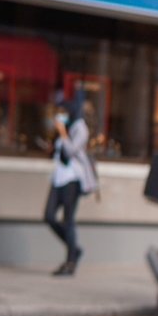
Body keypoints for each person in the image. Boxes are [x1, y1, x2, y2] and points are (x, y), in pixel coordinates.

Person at [43, 98, 97, 275]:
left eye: (64, 112)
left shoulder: (80, 128)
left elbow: (71, 150)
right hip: (58, 177)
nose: (61, 115)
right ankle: (74, 249)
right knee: (49, 216)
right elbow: (59, 152)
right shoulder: (64, 128)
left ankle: (70, 262)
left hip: (73, 179)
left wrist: (63, 133)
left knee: (68, 220)